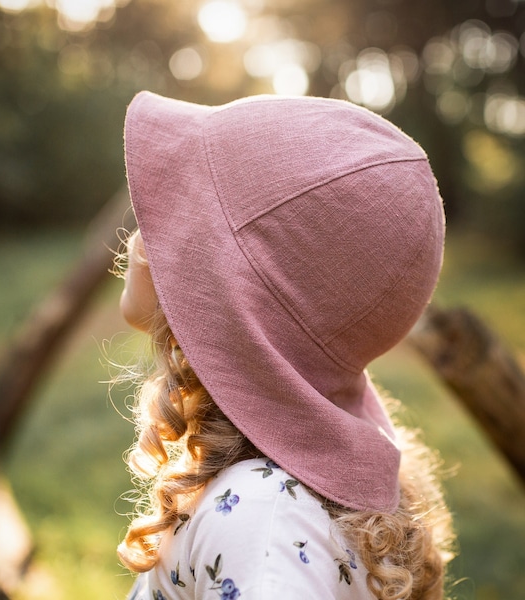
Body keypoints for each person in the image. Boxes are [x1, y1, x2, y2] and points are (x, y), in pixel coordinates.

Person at [113, 91, 456, 600]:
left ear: (230, 290)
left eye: (182, 210)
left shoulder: (261, 518)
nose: (144, 225)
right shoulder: (272, 500)